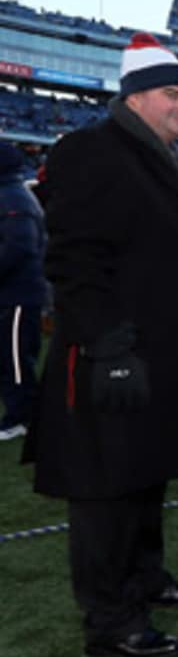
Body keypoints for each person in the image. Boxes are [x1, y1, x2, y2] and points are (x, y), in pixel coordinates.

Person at [27, 33, 178, 657]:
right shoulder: (91, 150)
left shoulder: (171, 160)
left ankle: (146, 579)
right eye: (172, 94)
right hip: (112, 352)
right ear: (134, 97)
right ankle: (111, 620)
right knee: (106, 490)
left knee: (146, 476)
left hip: (160, 355)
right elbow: (74, 257)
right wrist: (107, 345)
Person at [0, 142, 46, 442]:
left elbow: (18, 247)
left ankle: (22, 417)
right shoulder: (12, 194)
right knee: (9, 357)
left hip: (18, 293)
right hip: (14, 292)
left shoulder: (13, 197)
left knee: (15, 358)